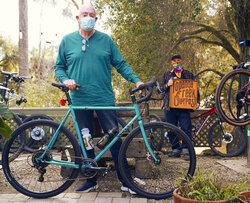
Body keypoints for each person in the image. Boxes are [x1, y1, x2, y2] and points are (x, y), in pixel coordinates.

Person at [54, 4, 143, 193]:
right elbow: (59, 67)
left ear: (96, 19)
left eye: (92, 15)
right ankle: (90, 180)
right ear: (77, 18)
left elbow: (121, 64)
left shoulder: (105, 40)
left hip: (104, 99)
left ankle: (126, 181)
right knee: (86, 139)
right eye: (84, 14)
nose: (88, 17)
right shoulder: (67, 41)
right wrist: (65, 79)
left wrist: (136, 81)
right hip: (79, 100)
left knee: (115, 139)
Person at [160, 54, 200, 160]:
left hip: (184, 107)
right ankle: (175, 149)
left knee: (186, 128)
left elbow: (195, 89)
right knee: (171, 128)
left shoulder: (189, 74)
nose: (176, 62)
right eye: (174, 61)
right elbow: (159, 89)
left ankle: (186, 150)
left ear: (182, 61)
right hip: (169, 107)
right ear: (171, 63)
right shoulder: (166, 75)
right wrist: (167, 85)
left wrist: (197, 101)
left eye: (178, 60)